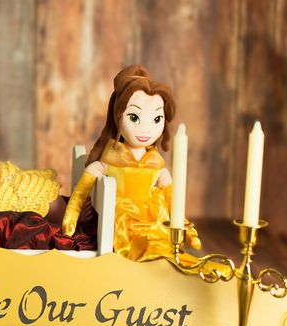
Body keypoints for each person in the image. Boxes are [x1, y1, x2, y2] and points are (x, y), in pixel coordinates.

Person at [62, 65, 201, 261]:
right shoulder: (110, 158)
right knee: (135, 246)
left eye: (156, 119)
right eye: (134, 117)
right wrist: (71, 218)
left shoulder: (156, 163)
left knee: (161, 242)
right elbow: (79, 194)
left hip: (151, 215)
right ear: (119, 115)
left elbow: (173, 201)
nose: (146, 129)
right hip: (121, 215)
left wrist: (188, 230)